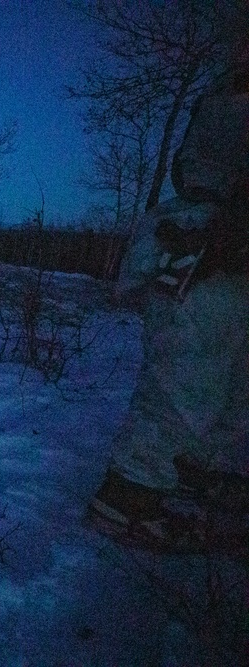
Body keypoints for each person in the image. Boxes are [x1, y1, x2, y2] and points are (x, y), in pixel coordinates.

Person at [86, 43, 249, 552]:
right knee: (188, 374)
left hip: (218, 240)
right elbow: (194, 170)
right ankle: (129, 495)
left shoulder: (222, 90)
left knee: (231, 375)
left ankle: (199, 471)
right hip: (211, 242)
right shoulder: (231, 94)